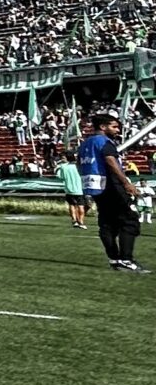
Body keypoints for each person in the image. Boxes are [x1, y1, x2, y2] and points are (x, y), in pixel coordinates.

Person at [81, 112, 145, 271]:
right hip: (111, 185)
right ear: (103, 127)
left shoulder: (85, 143)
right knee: (130, 221)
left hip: (96, 187)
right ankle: (126, 259)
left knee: (107, 224)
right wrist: (126, 183)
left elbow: (79, 164)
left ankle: (114, 259)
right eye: (114, 126)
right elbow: (111, 162)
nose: (118, 130)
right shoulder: (105, 142)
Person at [57, 148, 87, 229]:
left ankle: (74, 221)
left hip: (68, 189)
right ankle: (81, 221)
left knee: (72, 205)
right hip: (79, 189)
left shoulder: (63, 167)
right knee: (81, 206)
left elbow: (60, 177)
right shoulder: (78, 166)